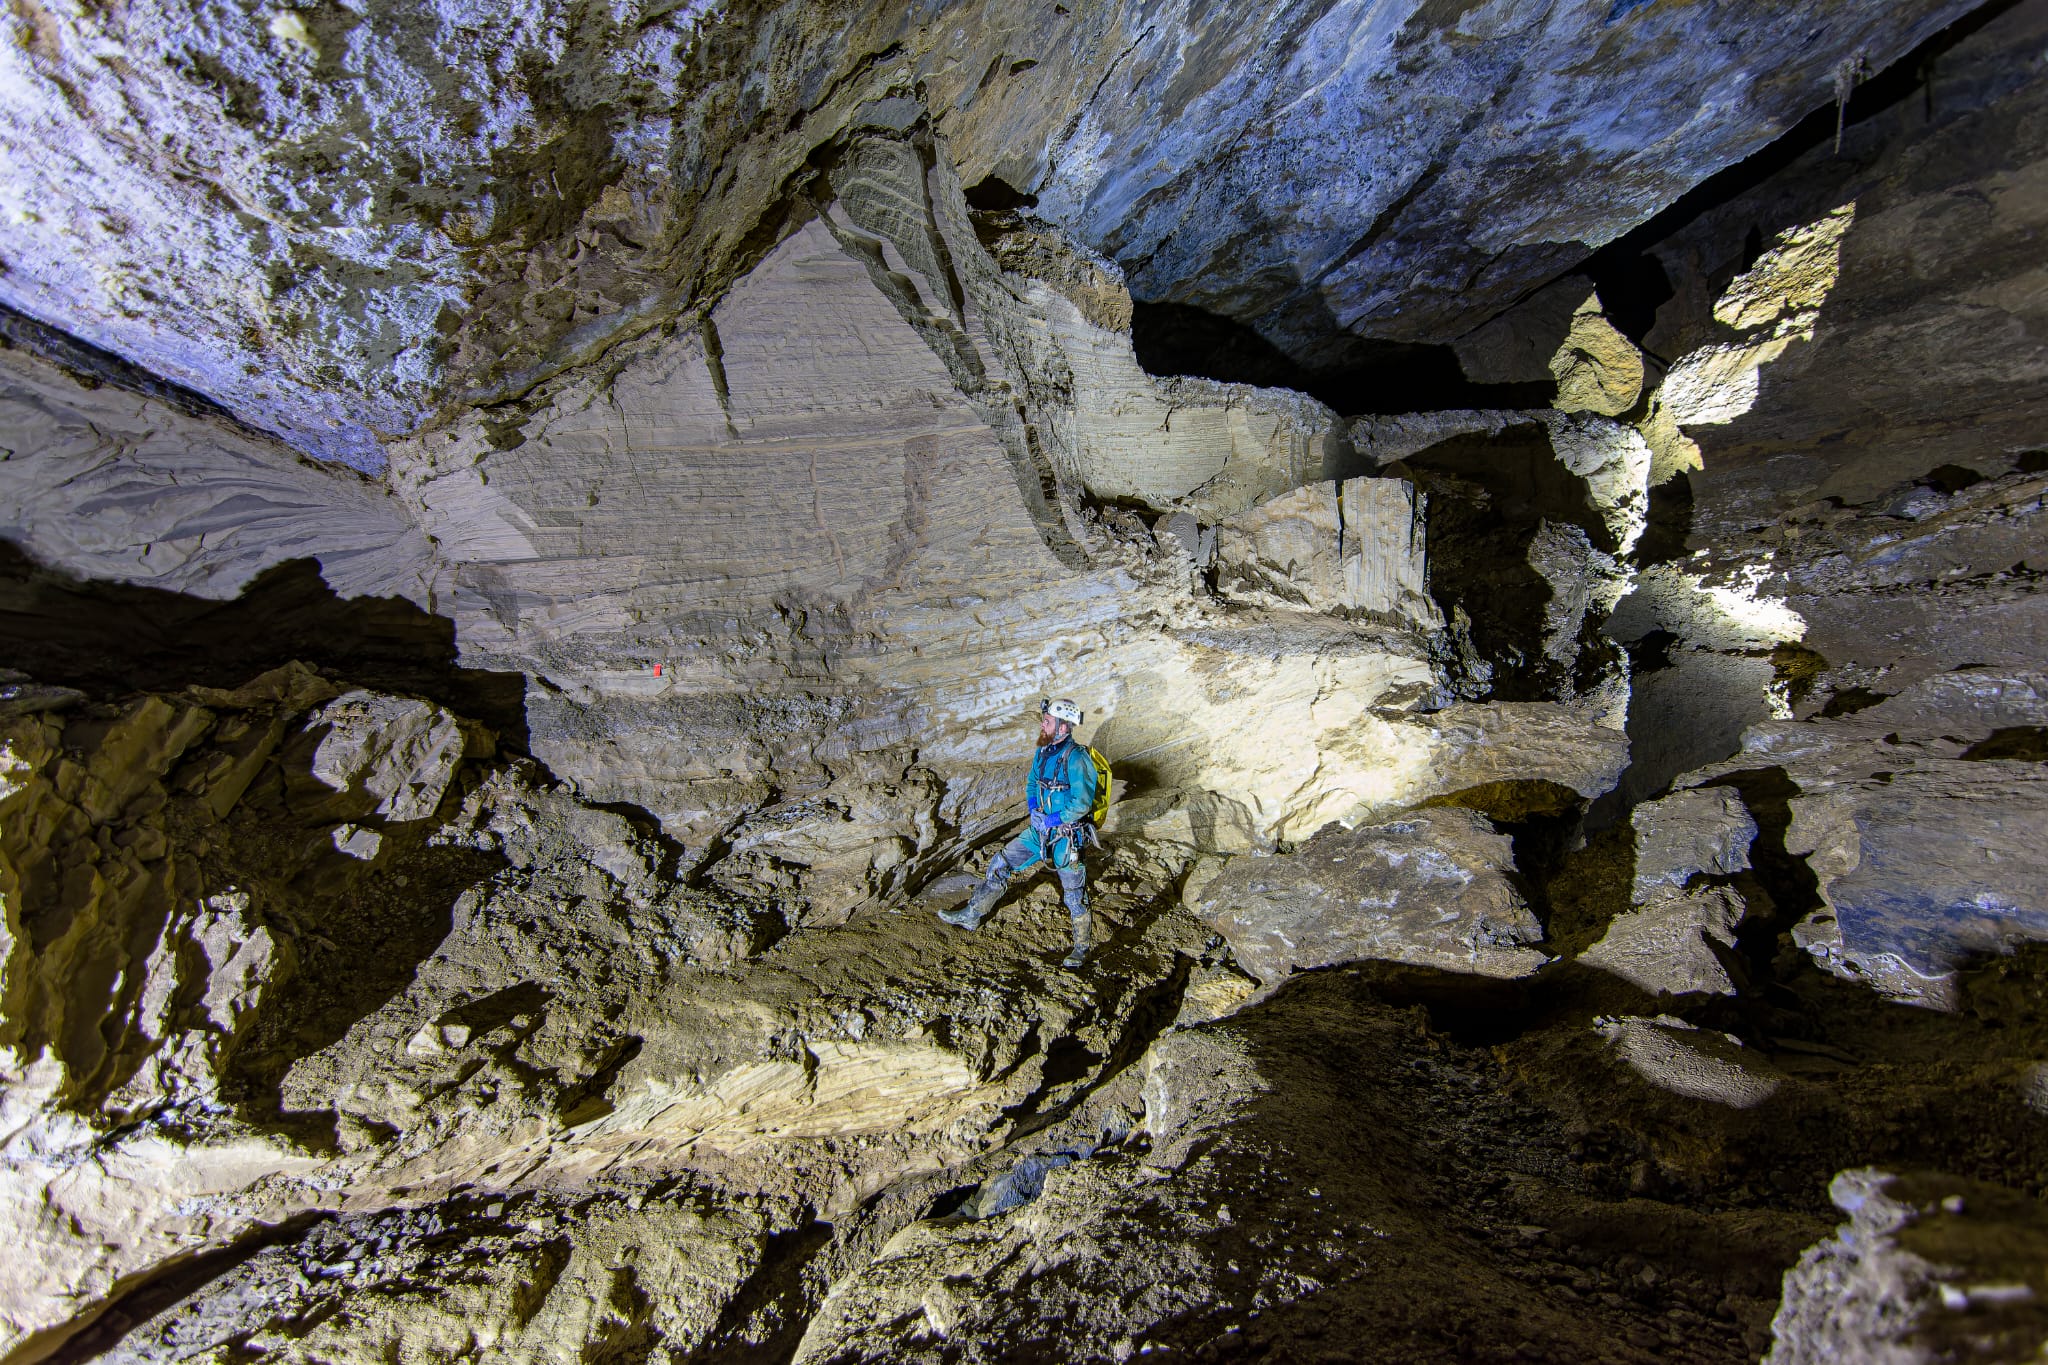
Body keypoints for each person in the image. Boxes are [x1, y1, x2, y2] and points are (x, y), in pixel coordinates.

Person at [940, 697, 1100, 968]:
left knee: (1074, 894)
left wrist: (1051, 820)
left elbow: (1082, 803)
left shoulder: (1077, 758)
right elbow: (1031, 783)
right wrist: (1034, 808)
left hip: (1066, 837)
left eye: (1048, 721)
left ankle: (1081, 949)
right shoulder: (1044, 751)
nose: (1043, 723)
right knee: (1002, 862)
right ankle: (972, 914)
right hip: (1039, 831)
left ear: (1063, 728)